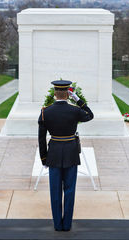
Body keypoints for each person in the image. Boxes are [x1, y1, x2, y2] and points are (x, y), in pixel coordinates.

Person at [38, 80, 93, 231]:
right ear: (68, 95)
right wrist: (78, 100)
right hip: (71, 153)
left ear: (55, 93)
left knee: (55, 191)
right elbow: (90, 115)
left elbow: (41, 139)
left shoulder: (45, 112)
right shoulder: (75, 110)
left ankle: (57, 224)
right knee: (69, 190)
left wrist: (44, 158)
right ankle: (67, 224)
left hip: (54, 154)